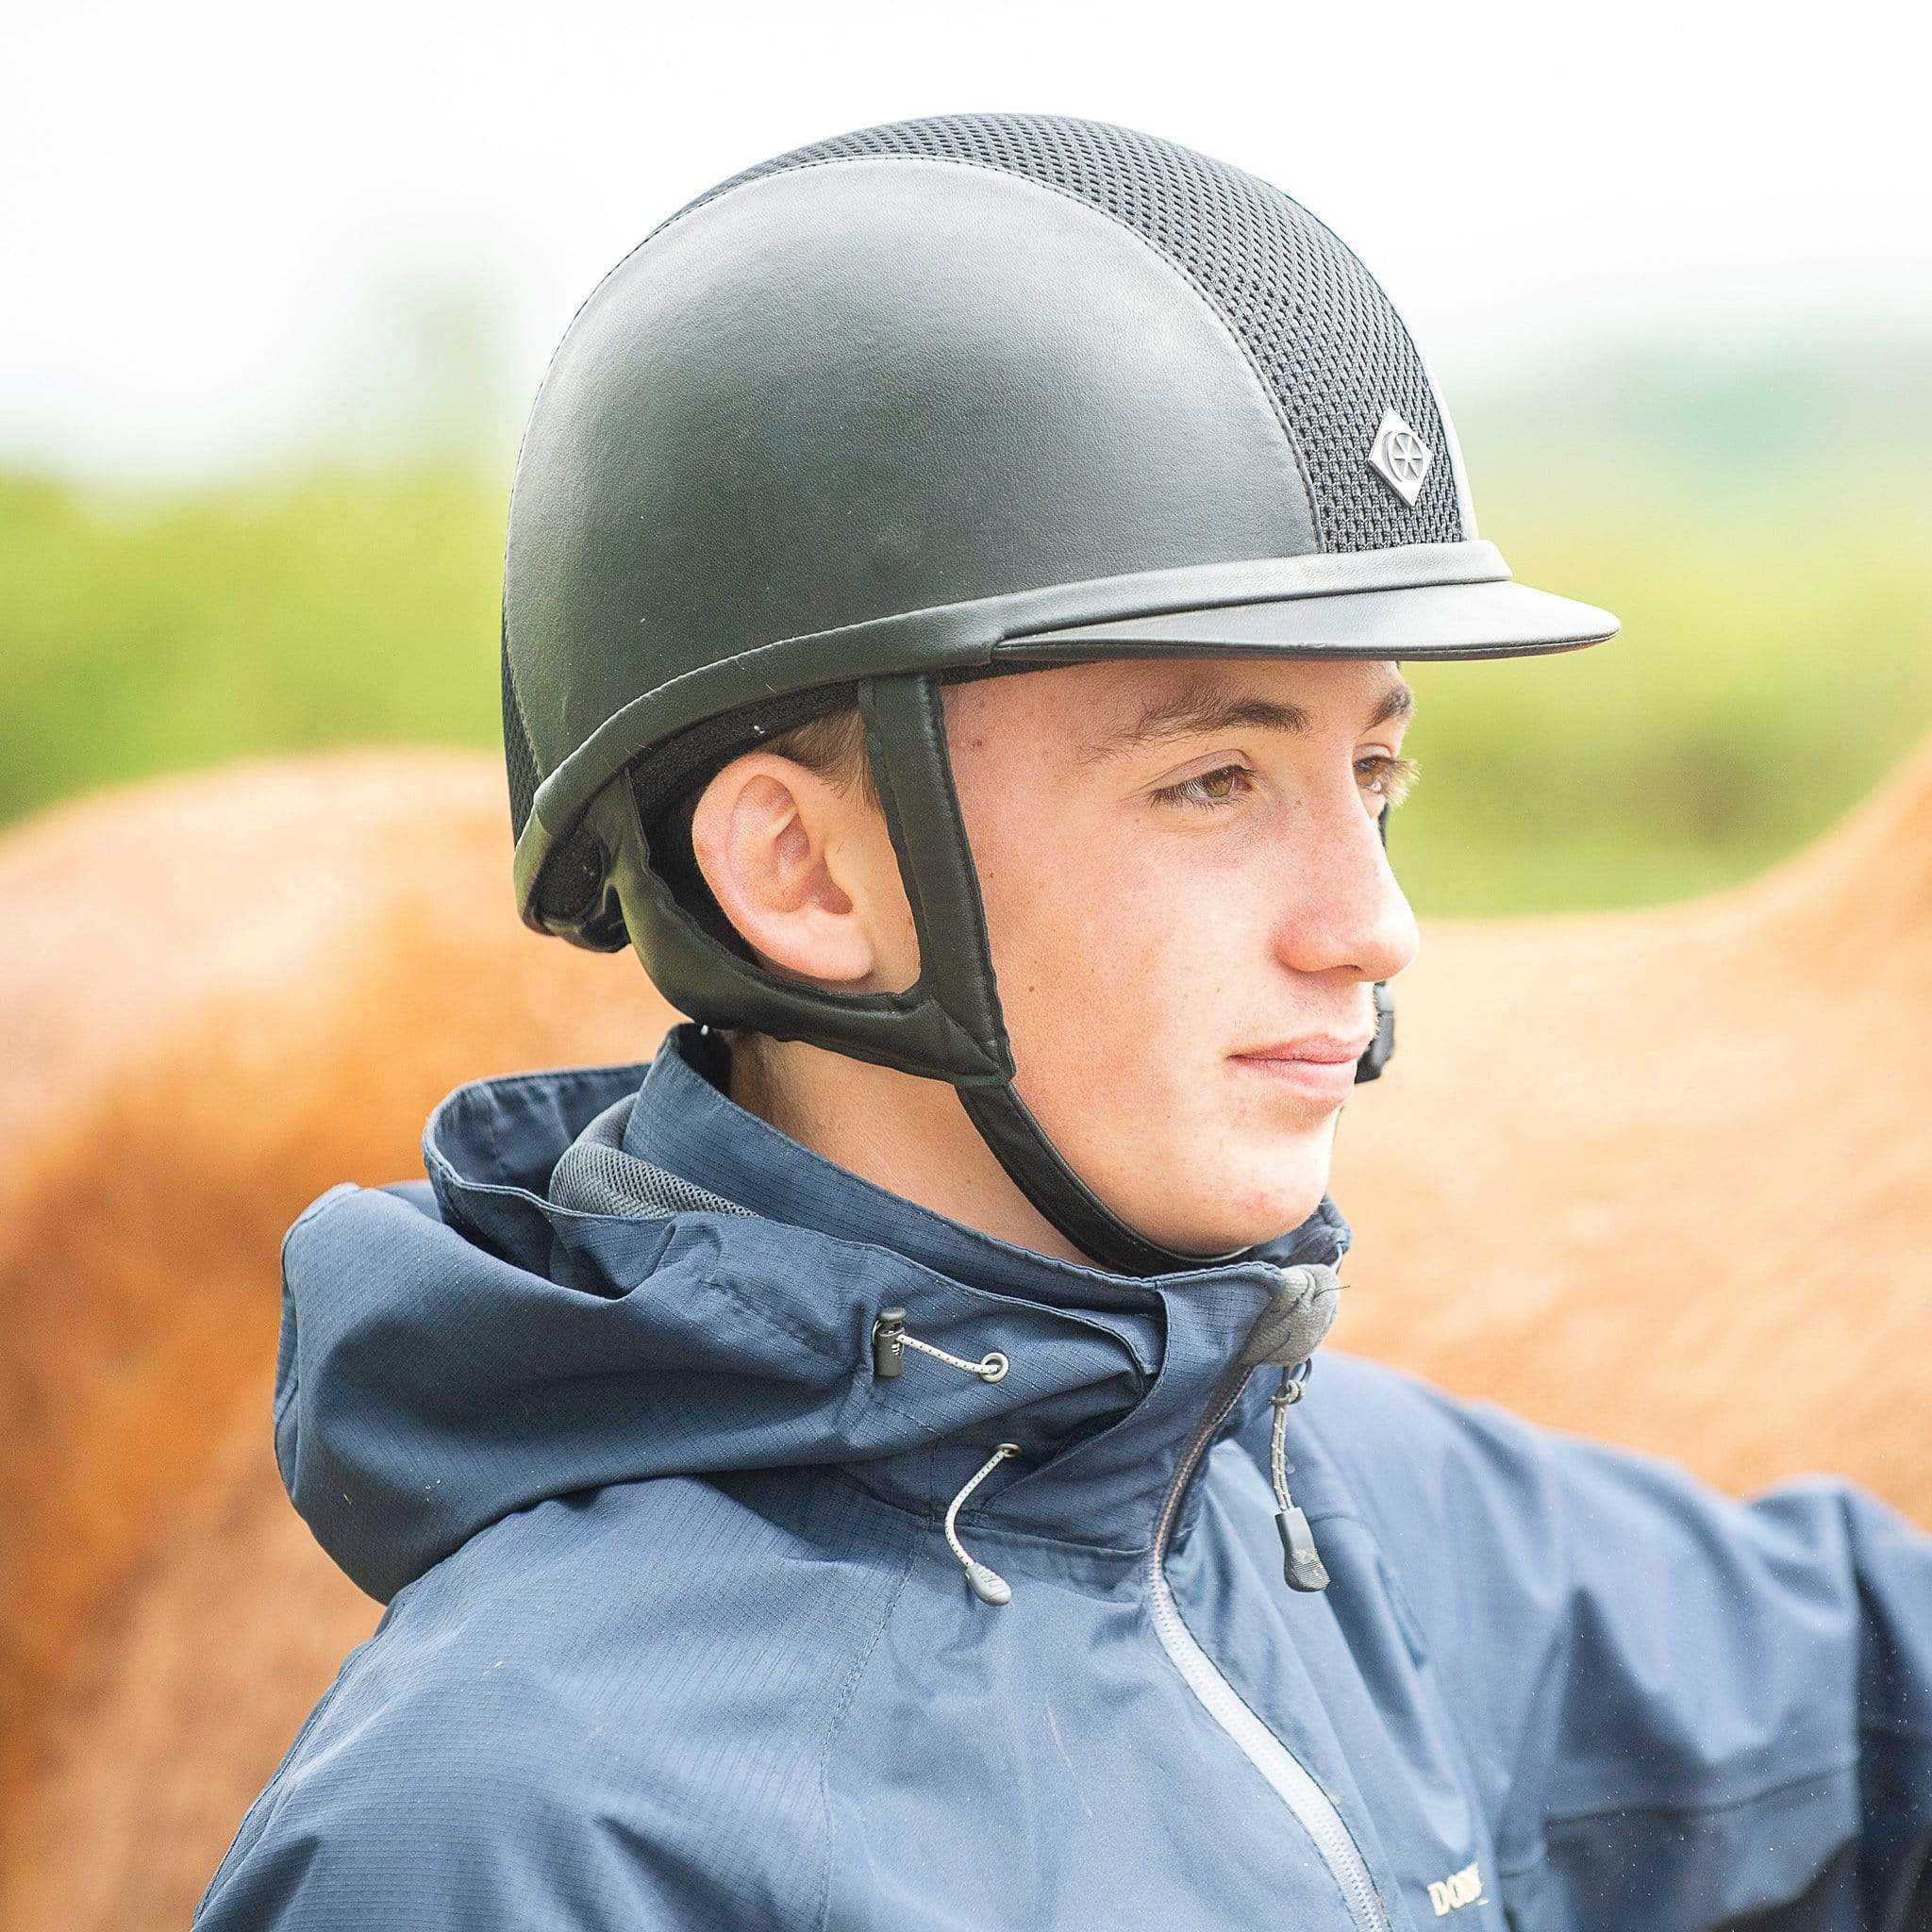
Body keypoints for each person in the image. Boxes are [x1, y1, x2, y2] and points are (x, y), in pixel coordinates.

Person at [193, 112, 1932, 1930]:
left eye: (1374, 775)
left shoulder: (1337, 1515)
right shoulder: (518, 1838)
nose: (1378, 924)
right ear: (805, 873)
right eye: (1213, 782)